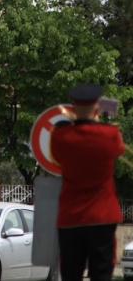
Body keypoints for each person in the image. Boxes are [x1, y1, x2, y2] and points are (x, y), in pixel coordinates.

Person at [51, 84, 124, 281]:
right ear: (97, 108)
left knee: (71, 273)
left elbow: (57, 158)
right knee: (101, 272)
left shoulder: (60, 136)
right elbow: (119, 149)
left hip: (71, 216)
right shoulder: (109, 135)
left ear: (73, 108)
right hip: (102, 215)